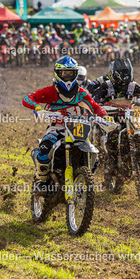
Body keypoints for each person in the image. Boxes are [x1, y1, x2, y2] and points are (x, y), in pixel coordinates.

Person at [22, 56, 107, 194]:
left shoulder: (81, 93)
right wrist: (38, 108)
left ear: (75, 74)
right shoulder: (51, 91)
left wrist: (105, 117)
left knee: (93, 155)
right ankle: (41, 181)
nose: (67, 77)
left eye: (70, 73)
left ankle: (83, 179)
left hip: (77, 128)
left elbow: (95, 106)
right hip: (56, 128)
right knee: (45, 149)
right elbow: (27, 98)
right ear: (58, 73)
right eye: (64, 73)